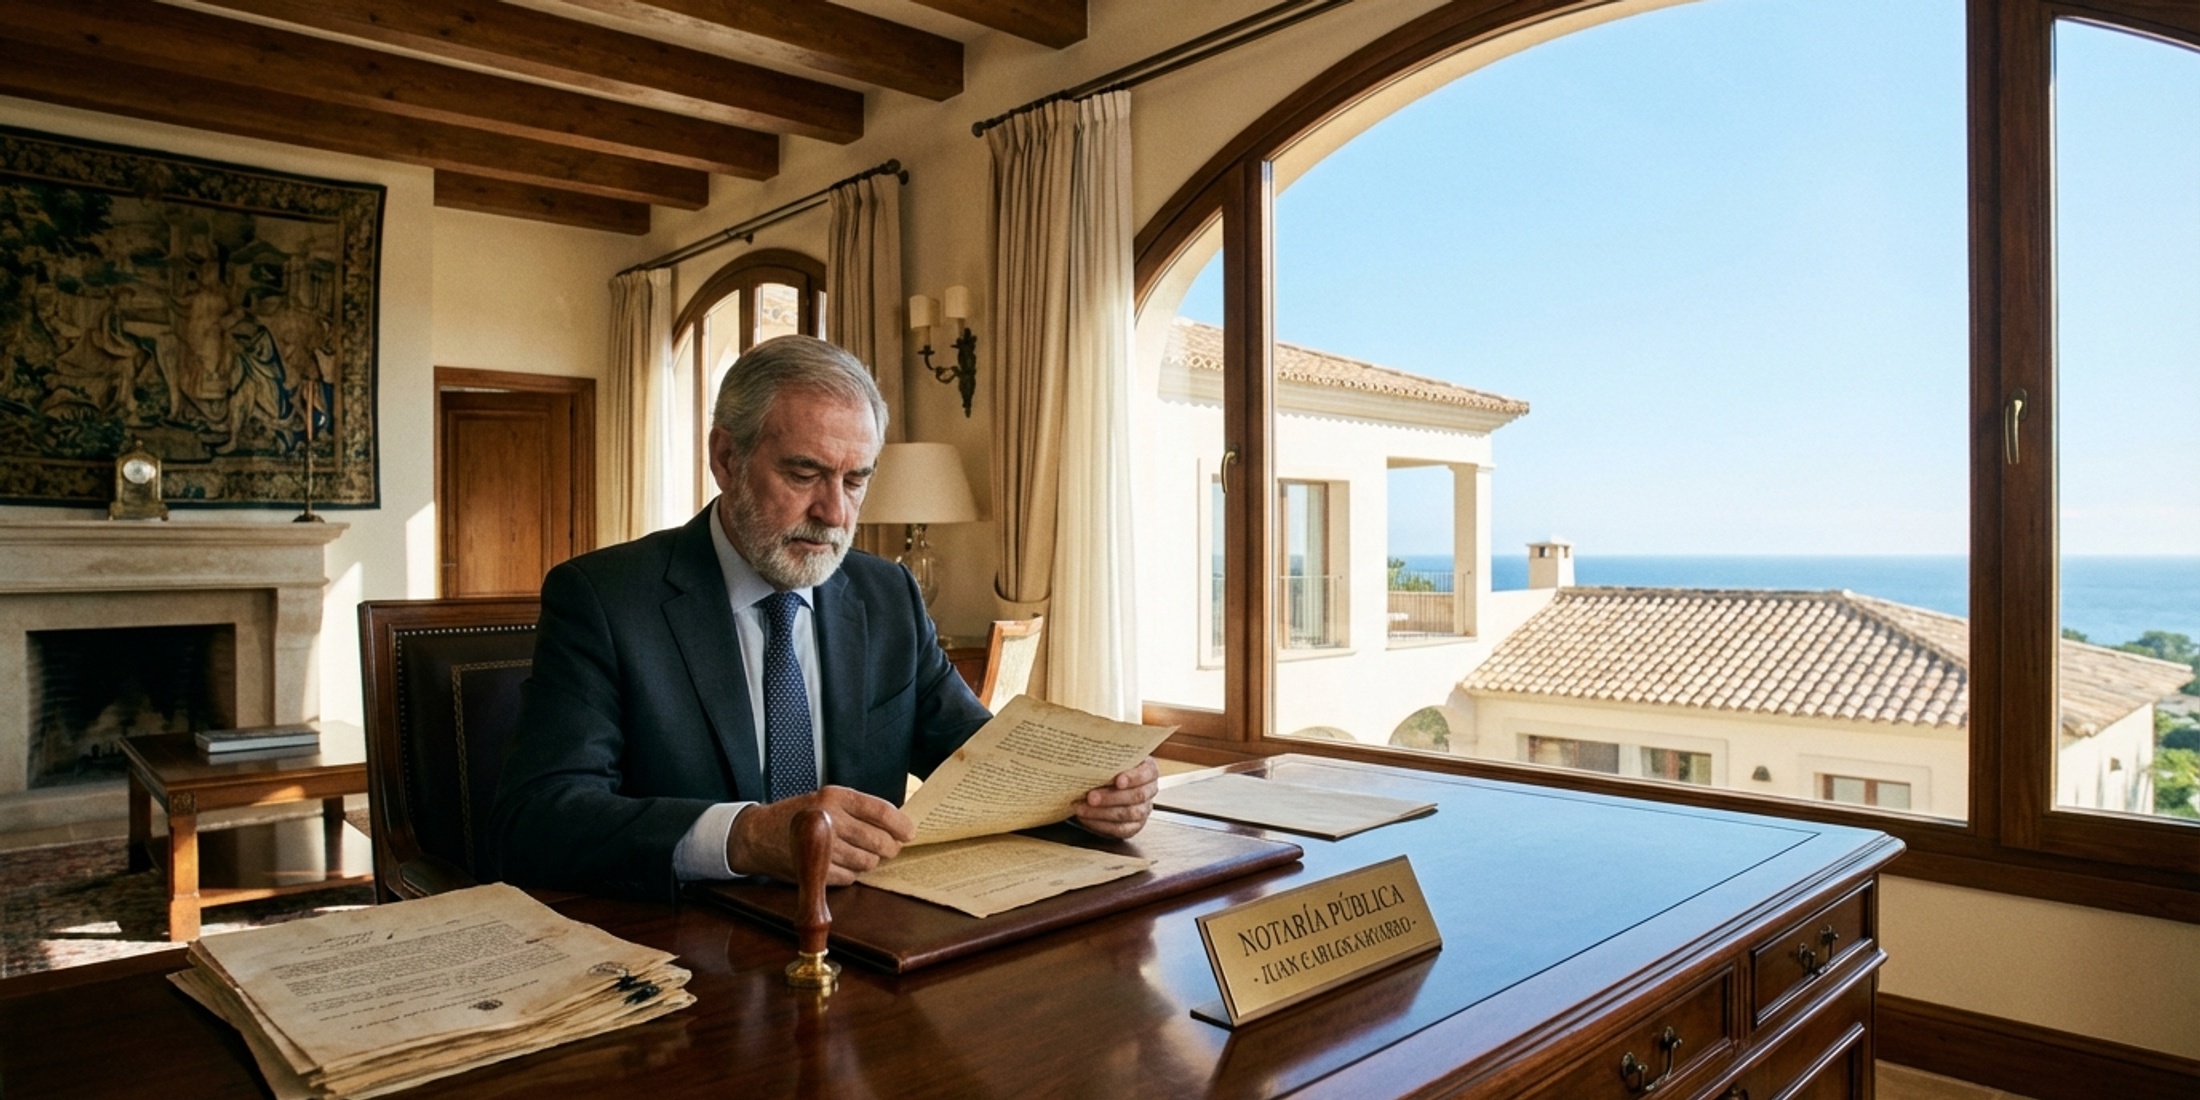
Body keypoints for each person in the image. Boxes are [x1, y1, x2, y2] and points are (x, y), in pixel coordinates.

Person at [490, 335, 1158, 900]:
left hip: (868, 940)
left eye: (856, 479)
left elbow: (977, 762)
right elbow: (541, 820)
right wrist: (746, 837)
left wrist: (1092, 797)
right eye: (805, 473)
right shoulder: (605, 598)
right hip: (690, 948)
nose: (835, 513)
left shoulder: (888, 595)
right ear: (726, 458)